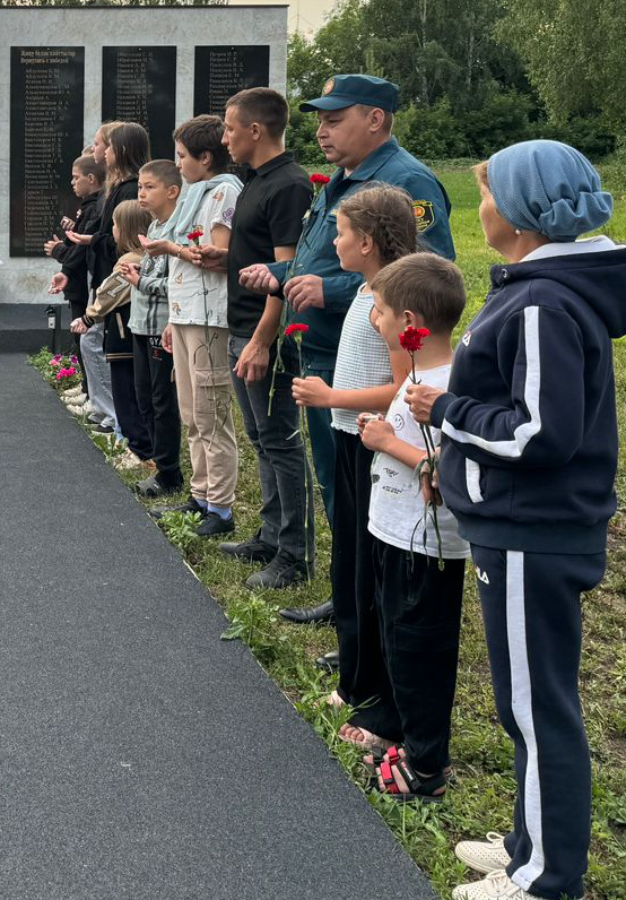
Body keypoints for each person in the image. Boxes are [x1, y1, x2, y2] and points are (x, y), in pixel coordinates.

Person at [406, 141, 621, 900]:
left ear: (526, 213)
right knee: (522, 702)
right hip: (518, 525)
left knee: (537, 708)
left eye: (489, 197)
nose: (482, 210)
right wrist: (455, 464)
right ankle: (531, 841)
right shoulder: (540, 289)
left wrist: (448, 414)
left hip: (533, 529)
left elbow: (542, 433)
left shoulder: (540, 302)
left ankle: (545, 880)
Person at [240, 74, 453, 608]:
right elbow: (322, 256)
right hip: (322, 353)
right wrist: (281, 272)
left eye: (335, 119)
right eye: (319, 120)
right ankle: (351, 594)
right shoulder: (341, 178)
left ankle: (364, 601)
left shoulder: (407, 182)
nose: (321, 131)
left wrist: (328, 291)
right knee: (338, 481)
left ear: (375, 119)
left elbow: (427, 278)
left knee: (362, 485)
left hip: (362, 362)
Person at [289, 184, 416, 721]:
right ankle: (354, 670)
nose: (332, 242)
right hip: (351, 437)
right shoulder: (370, 289)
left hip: (373, 445)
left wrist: (331, 397)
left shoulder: (393, 296)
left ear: (365, 241)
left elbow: (407, 385)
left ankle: (366, 683)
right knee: (350, 563)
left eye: (339, 233)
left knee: (366, 567)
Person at [347, 252, 470, 804]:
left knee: (420, 645)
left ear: (409, 322)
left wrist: (383, 442)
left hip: (427, 543)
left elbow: (442, 467)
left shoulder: (450, 387)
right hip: (392, 530)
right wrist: (386, 429)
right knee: (395, 635)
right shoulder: (418, 375)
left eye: (380, 311)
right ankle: (395, 722)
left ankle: (426, 762)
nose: (374, 320)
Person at [218, 87, 314, 592]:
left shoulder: (289, 185)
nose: (225, 138)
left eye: (231, 129)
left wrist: (261, 341)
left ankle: (293, 554)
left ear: (256, 130)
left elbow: (287, 271)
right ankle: (272, 534)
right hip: (243, 326)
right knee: (262, 438)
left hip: (265, 334)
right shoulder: (254, 180)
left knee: (280, 441)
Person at [145, 116, 240, 522]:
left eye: (183, 156)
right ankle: (200, 495)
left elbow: (218, 258)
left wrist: (170, 248)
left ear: (206, 157)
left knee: (211, 413)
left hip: (210, 317)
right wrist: (172, 319)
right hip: (187, 315)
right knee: (191, 411)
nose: (178, 164)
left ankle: (220, 506)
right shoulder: (194, 194)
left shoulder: (223, 193)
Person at [91, 121, 152, 462]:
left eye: (109, 146)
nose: (104, 152)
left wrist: (92, 311)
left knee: (128, 377)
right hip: (115, 292)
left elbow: (120, 246)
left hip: (124, 303)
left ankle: (138, 442)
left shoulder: (129, 192)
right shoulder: (119, 188)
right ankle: (130, 436)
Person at [123, 159, 184, 494]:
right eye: (140, 187)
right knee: (144, 396)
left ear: (172, 191)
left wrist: (141, 280)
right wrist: (141, 280)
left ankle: (169, 472)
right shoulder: (155, 228)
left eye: (150, 187)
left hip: (162, 326)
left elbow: (177, 282)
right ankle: (158, 464)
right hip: (140, 324)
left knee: (163, 401)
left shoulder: (175, 232)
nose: (142, 194)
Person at [49, 153, 114, 431]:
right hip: (85, 280)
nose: (72, 182)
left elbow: (86, 246)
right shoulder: (91, 205)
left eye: (76, 178)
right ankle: (95, 400)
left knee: (90, 342)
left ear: (91, 179)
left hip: (96, 281)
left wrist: (60, 251)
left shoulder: (99, 205)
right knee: (85, 343)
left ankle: (102, 406)